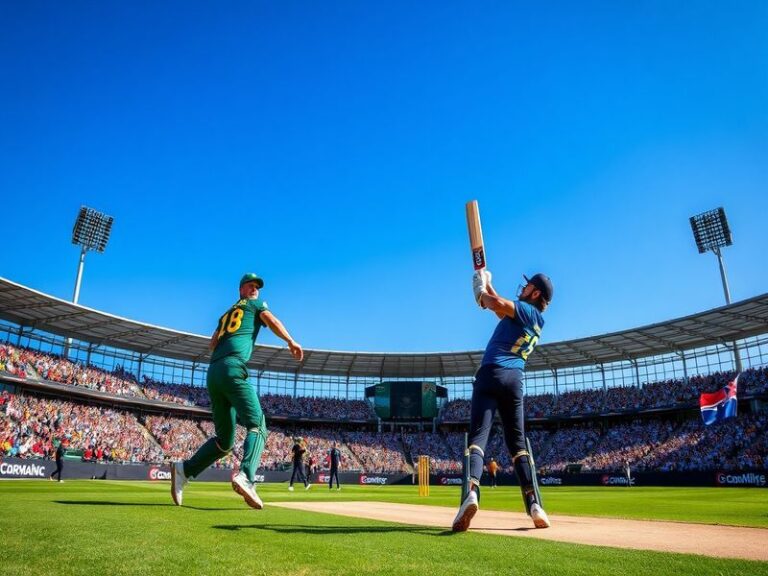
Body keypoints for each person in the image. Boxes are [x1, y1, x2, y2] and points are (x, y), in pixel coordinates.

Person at [170, 273, 303, 509]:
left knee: (225, 441)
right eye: (250, 286)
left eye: (257, 287)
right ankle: (246, 477)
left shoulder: (225, 316)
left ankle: (184, 470)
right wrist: (290, 341)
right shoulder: (255, 304)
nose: (255, 289)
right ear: (241, 290)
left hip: (214, 372)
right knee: (258, 424)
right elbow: (271, 319)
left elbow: (212, 343)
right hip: (232, 367)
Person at [452, 271, 554, 532]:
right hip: (514, 381)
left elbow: (496, 304)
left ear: (536, 293)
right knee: (517, 445)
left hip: (491, 374)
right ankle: (534, 505)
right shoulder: (531, 318)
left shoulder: (527, 311)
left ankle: (471, 493)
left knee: (477, 440)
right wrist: (487, 284)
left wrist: (479, 295)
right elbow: (500, 307)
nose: (523, 287)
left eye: (528, 285)